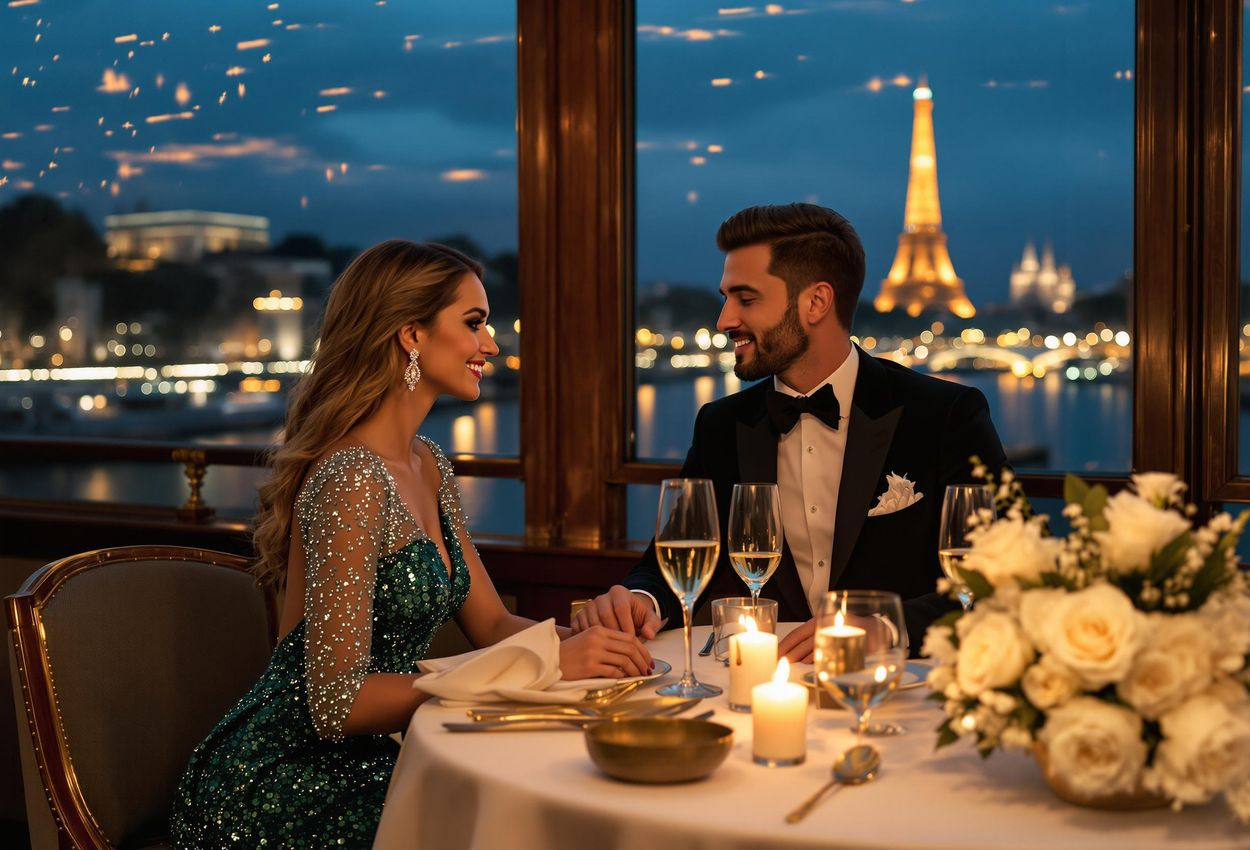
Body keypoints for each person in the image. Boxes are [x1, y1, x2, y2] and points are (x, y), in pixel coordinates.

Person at [171, 240, 654, 848]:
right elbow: (335, 703)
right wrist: (546, 669)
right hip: (290, 780)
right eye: (474, 323)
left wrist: (588, 641)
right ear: (411, 335)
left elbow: (495, 623)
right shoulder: (350, 477)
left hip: (375, 757)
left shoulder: (429, 464)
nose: (492, 344)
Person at [572, 203, 1006, 660]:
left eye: (746, 298)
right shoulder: (722, 425)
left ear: (816, 302)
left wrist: (885, 629)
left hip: (903, 691)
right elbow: (672, 561)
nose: (724, 319)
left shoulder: (943, 415)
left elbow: (1001, 577)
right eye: (725, 297)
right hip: (761, 685)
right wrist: (639, 600)